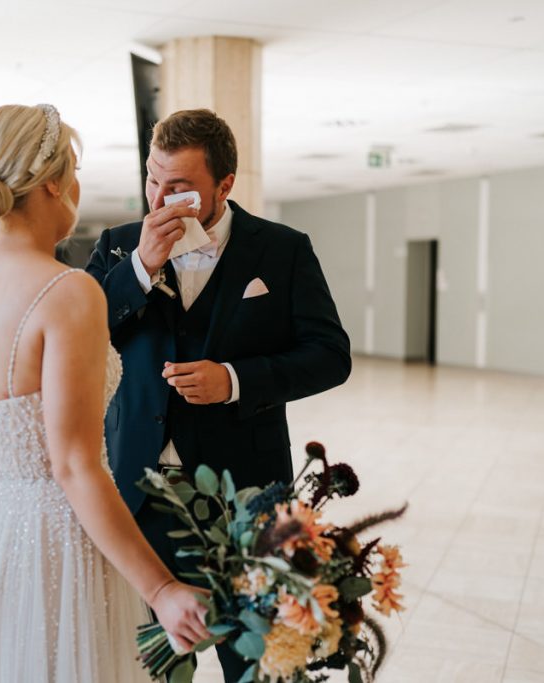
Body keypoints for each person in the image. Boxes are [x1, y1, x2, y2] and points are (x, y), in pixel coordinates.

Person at [0, 104, 209, 683]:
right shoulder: (69, 293)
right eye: (75, 170)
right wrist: (161, 589)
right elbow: (73, 465)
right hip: (55, 539)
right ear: (53, 185)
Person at [86, 108, 352, 681]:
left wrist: (234, 380)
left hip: (247, 500)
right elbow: (79, 338)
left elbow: (331, 355)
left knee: (257, 666)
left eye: (178, 187)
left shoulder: (282, 250)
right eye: (152, 180)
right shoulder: (115, 247)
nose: (158, 198)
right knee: (146, 668)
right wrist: (138, 269)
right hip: (136, 497)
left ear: (223, 185)